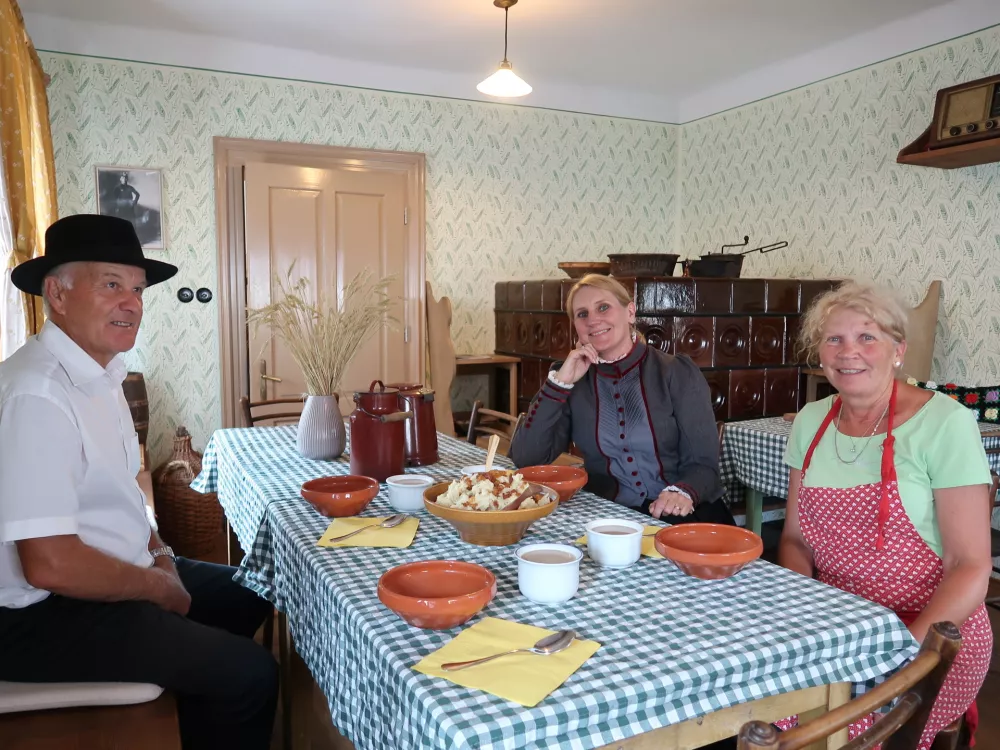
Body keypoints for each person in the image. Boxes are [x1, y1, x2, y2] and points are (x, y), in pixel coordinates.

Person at [0, 215, 278, 750]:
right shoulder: (35, 394)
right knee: (250, 674)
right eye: (111, 285)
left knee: (251, 592)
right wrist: (155, 587)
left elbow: (125, 498)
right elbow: (50, 563)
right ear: (56, 293)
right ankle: (216, 690)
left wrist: (162, 556)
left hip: (108, 571)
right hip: (37, 613)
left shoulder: (103, 376)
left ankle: (197, 711)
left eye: (137, 289)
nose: (132, 303)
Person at [777, 281, 992, 748]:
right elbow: (794, 539)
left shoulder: (945, 424)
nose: (848, 351)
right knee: (749, 709)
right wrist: (805, 614)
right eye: (834, 339)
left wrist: (901, 651)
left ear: (899, 350)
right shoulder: (810, 422)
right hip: (839, 627)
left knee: (818, 735)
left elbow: (970, 566)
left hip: (931, 634)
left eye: (866, 337)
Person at [510, 273, 733, 524]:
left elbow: (704, 465)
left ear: (630, 312)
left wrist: (681, 492)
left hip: (685, 515)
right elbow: (526, 459)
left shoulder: (675, 372)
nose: (593, 320)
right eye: (582, 314)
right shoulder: (572, 378)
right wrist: (559, 385)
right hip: (610, 518)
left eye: (603, 307)